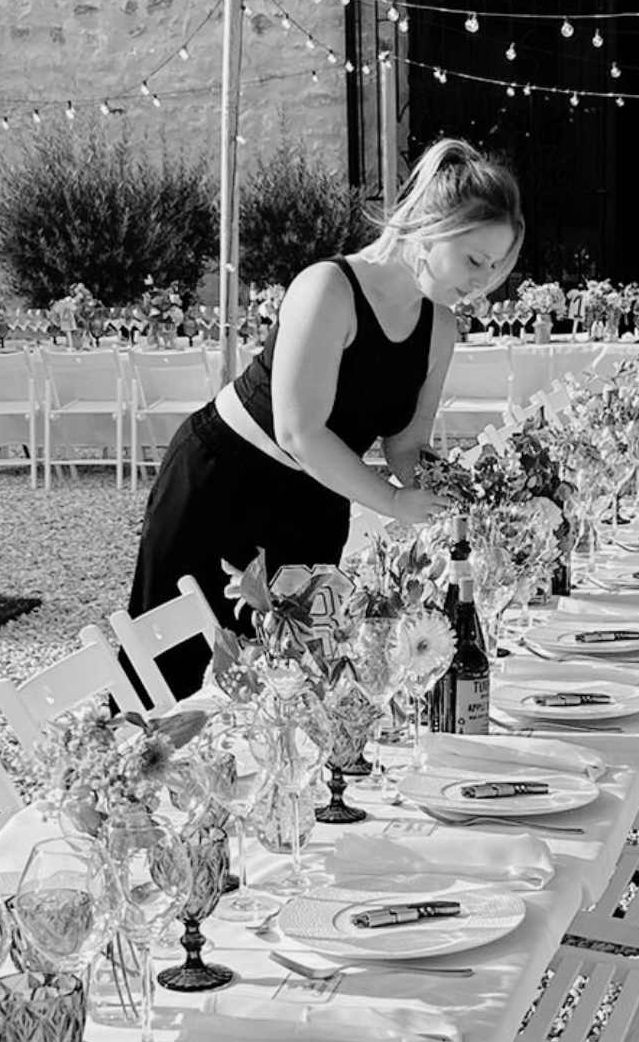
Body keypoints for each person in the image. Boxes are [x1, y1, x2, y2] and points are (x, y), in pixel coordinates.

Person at [126, 137, 524, 696]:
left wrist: (457, 501)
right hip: (221, 489)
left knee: (298, 686)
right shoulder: (328, 287)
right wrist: (392, 503)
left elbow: (406, 444)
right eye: (474, 260)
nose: (482, 283)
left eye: (495, 267)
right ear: (429, 227)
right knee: (177, 683)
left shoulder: (440, 326)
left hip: (317, 500)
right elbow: (299, 431)